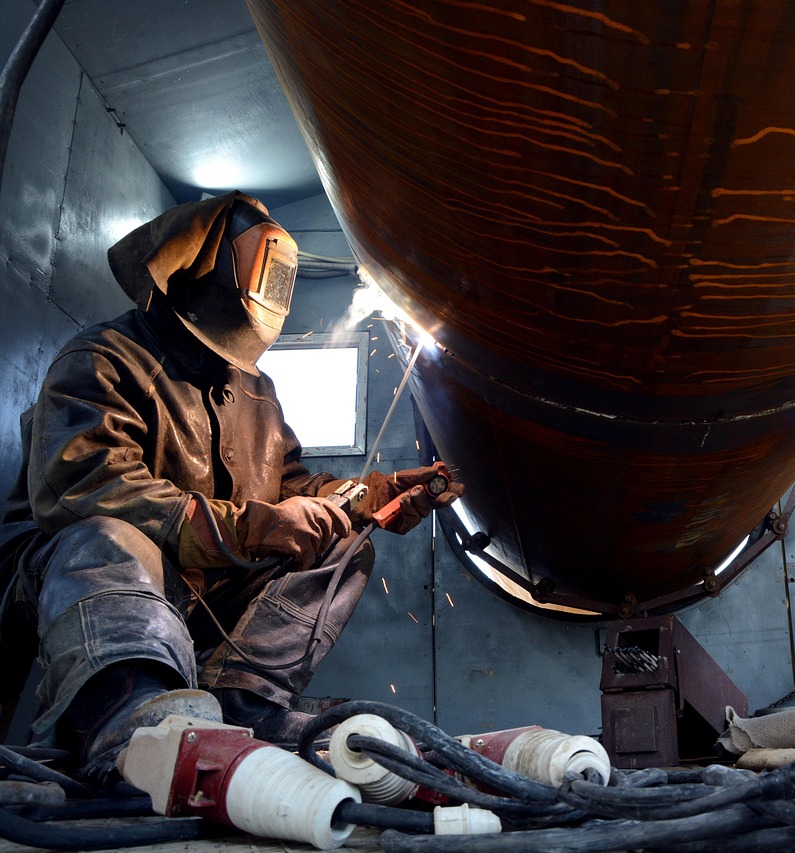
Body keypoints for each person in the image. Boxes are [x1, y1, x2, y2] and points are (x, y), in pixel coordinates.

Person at [0, 191, 464, 780]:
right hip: (81, 579)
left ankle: (243, 701)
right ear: (187, 286)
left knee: (342, 547)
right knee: (113, 537)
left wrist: (375, 495)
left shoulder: (253, 389)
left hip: (202, 589)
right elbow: (86, 488)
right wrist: (248, 528)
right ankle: (124, 714)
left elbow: (291, 486)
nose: (220, 359)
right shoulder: (101, 359)